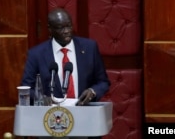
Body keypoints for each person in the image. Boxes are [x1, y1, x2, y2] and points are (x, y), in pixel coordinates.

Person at [20, 8, 110, 139]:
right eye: (60, 28)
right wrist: (40, 98)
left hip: (86, 120)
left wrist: (93, 91)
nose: (67, 31)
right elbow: (26, 88)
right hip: (52, 123)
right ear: (50, 29)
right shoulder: (37, 54)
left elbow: (103, 82)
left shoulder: (89, 48)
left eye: (68, 26)